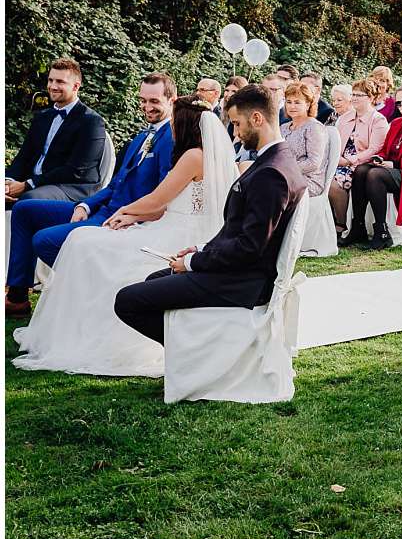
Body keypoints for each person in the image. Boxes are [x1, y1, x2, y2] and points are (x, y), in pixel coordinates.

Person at [12, 96, 230, 377]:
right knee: (83, 241)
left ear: (185, 124)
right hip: (169, 225)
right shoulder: (197, 155)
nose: (172, 126)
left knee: (85, 244)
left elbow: (157, 200)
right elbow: (165, 204)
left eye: (175, 121)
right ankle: (78, 325)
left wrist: (125, 212)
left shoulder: (192, 156)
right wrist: (131, 216)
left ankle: (82, 331)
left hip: (176, 234)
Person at [112, 83, 307, 347]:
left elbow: (250, 247)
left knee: (127, 301)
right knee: (155, 280)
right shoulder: (275, 160)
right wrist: (200, 248)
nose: (236, 134)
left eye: (238, 124)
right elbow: (241, 230)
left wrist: (194, 262)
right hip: (240, 271)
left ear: (257, 118)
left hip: (243, 282)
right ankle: (194, 358)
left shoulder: (270, 173)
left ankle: (198, 354)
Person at [9, 72, 176, 310]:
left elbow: (163, 195)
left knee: (45, 240)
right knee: (25, 209)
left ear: (172, 100)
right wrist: (85, 205)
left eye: (154, 101)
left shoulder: (171, 139)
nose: (146, 107)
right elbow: (115, 184)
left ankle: (96, 287)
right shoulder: (141, 137)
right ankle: (17, 298)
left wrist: (130, 215)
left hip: (120, 219)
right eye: (143, 100)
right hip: (101, 208)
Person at [343, 87, 402, 250]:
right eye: (398, 103)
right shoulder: (396, 124)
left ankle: (381, 231)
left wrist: (396, 164)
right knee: (361, 171)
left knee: (375, 175)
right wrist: (380, 157)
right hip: (393, 170)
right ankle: (358, 227)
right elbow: (386, 150)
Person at [5, 56, 107, 211]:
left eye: (60, 82)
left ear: (75, 86)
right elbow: (23, 156)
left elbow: (76, 170)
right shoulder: (42, 117)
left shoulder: (91, 121)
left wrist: (27, 185)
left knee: (29, 200)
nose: (52, 86)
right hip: (37, 184)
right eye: (50, 80)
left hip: (71, 187)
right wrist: (7, 182)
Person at [329, 80, 389, 233]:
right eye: (353, 94)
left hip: (361, 165)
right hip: (339, 161)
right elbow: (335, 143)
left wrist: (350, 161)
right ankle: (326, 223)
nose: (354, 98)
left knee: (333, 184)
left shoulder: (378, 120)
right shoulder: (345, 118)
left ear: (370, 97)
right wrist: (335, 159)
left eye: (359, 95)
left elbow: (375, 148)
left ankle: (341, 224)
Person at [279, 81, 330, 197]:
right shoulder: (283, 127)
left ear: (307, 104)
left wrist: (284, 169)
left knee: (271, 186)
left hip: (308, 181)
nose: (292, 106)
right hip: (285, 176)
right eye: (289, 102)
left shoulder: (314, 127)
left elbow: (313, 163)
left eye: (297, 102)